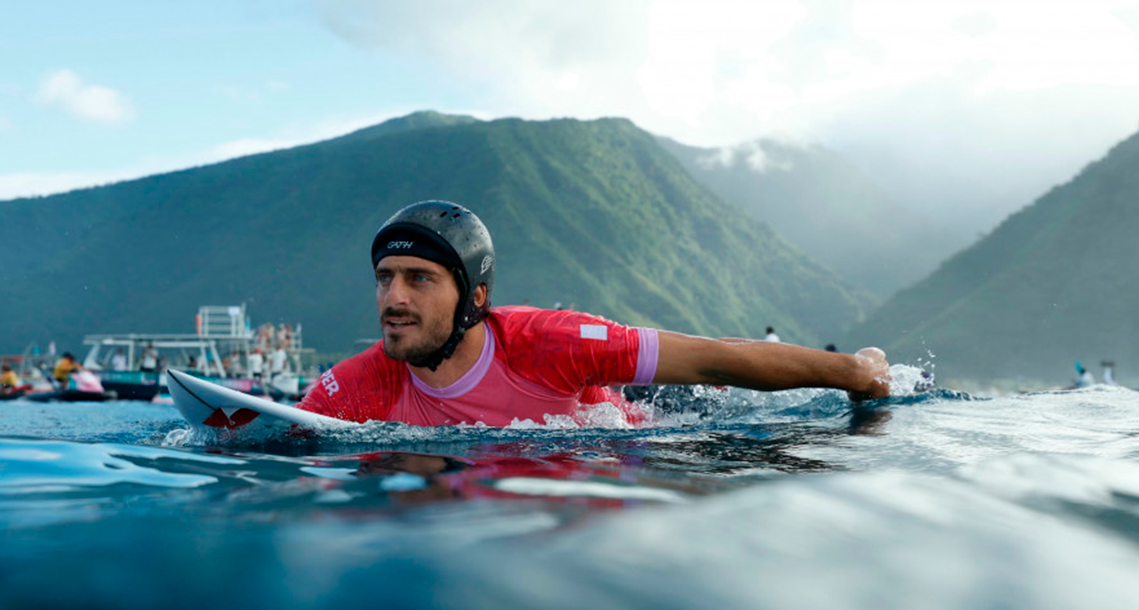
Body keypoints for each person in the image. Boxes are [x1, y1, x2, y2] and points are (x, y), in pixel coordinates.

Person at [296, 201, 890, 427]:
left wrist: (857, 374)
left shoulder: (552, 343)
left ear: (475, 299)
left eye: (419, 279)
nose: (393, 298)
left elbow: (714, 362)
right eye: (384, 279)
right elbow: (256, 431)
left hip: (631, 449)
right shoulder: (360, 384)